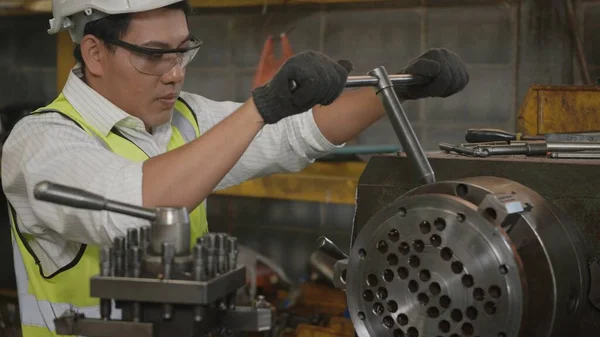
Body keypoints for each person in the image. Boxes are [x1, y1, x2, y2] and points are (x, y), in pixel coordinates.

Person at [1, 0, 469, 336]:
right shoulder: (41, 141)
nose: (175, 72)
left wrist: (399, 88)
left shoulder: (183, 117)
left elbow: (294, 133)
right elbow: (129, 208)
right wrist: (261, 106)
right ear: (94, 53)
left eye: (183, 50)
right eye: (153, 54)